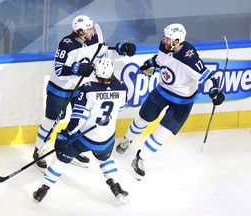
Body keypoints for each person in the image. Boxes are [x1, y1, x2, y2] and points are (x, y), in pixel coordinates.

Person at [116, 23, 225, 180]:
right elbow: (161, 59)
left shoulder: (190, 59)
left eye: (169, 39)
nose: (165, 41)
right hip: (161, 91)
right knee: (142, 119)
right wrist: (152, 63)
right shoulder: (165, 46)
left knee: (163, 132)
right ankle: (127, 140)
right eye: (165, 38)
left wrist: (214, 91)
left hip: (182, 101)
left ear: (178, 40)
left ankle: (141, 158)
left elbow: (207, 77)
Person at [33, 15, 136, 170]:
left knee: (79, 120)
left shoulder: (93, 40)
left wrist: (121, 48)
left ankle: (72, 150)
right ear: (80, 31)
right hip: (60, 89)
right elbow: (59, 70)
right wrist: (76, 69)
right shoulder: (66, 44)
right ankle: (39, 150)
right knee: (51, 121)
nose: (92, 31)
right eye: (89, 29)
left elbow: (105, 51)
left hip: (80, 88)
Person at [33, 57, 129, 204]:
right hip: (106, 139)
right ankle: (115, 186)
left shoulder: (87, 88)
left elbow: (79, 119)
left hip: (84, 139)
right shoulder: (122, 87)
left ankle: (42, 189)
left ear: (96, 72)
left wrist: (65, 134)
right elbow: (122, 107)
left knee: (59, 161)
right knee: (105, 159)